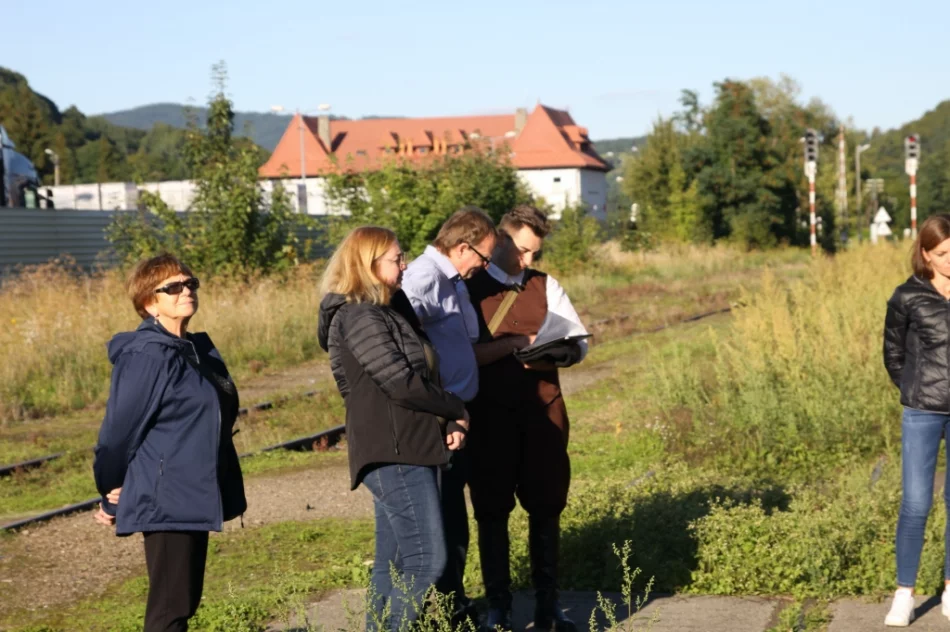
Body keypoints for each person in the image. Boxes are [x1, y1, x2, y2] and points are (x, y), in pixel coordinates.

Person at [317, 226, 470, 632]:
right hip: (394, 450)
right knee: (427, 559)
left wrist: (445, 417)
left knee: (397, 562)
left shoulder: (384, 310)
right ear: (368, 266)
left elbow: (412, 377)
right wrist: (456, 407)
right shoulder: (360, 316)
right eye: (396, 259)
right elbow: (399, 381)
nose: (405, 266)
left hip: (406, 445)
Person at [93, 253, 247, 632]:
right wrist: (110, 490)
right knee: (169, 608)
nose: (186, 291)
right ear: (150, 303)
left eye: (190, 283)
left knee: (183, 601)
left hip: (191, 489)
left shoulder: (192, 349)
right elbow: (117, 434)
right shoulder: (148, 355)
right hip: (166, 494)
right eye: (173, 287)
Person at [466, 205, 589, 632]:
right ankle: (498, 608)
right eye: (522, 250)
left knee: (546, 506)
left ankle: (547, 608)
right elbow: (459, 353)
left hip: (543, 414)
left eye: (534, 252)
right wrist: (514, 345)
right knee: (491, 510)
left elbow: (579, 340)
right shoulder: (469, 288)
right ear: (500, 240)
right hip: (489, 417)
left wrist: (565, 350)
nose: (528, 261)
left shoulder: (545, 285)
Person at [400, 206, 515, 623]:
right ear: (462, 247)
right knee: (445, 520)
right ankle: (446, 609)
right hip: (440, 419)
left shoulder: (451, 281)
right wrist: (445, 409)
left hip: (458, 413)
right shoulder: (423, 278)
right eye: (483, 258)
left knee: (454, 517)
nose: (483, 267)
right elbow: (404, 349)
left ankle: (454, 602)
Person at [883, 214, 950, 626]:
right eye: (943, 254)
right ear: (926, 253)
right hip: (923, 411)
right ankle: (904, 594)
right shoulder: (907, 297)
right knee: (916, 503)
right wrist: (913, 390)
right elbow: (893, 355)